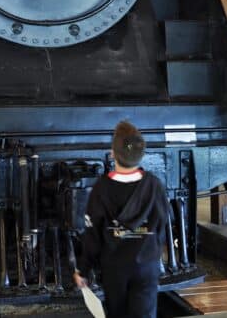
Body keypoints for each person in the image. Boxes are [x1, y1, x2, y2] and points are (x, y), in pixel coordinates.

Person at [73, 121, 170, 318]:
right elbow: (163, 224)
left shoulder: (101, 188)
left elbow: (92, 235)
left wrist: (83, 270)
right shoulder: (154, 185)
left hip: (115, 267)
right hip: (147, 265)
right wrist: (153, 252)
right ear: (141, 154)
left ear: (113, 153)